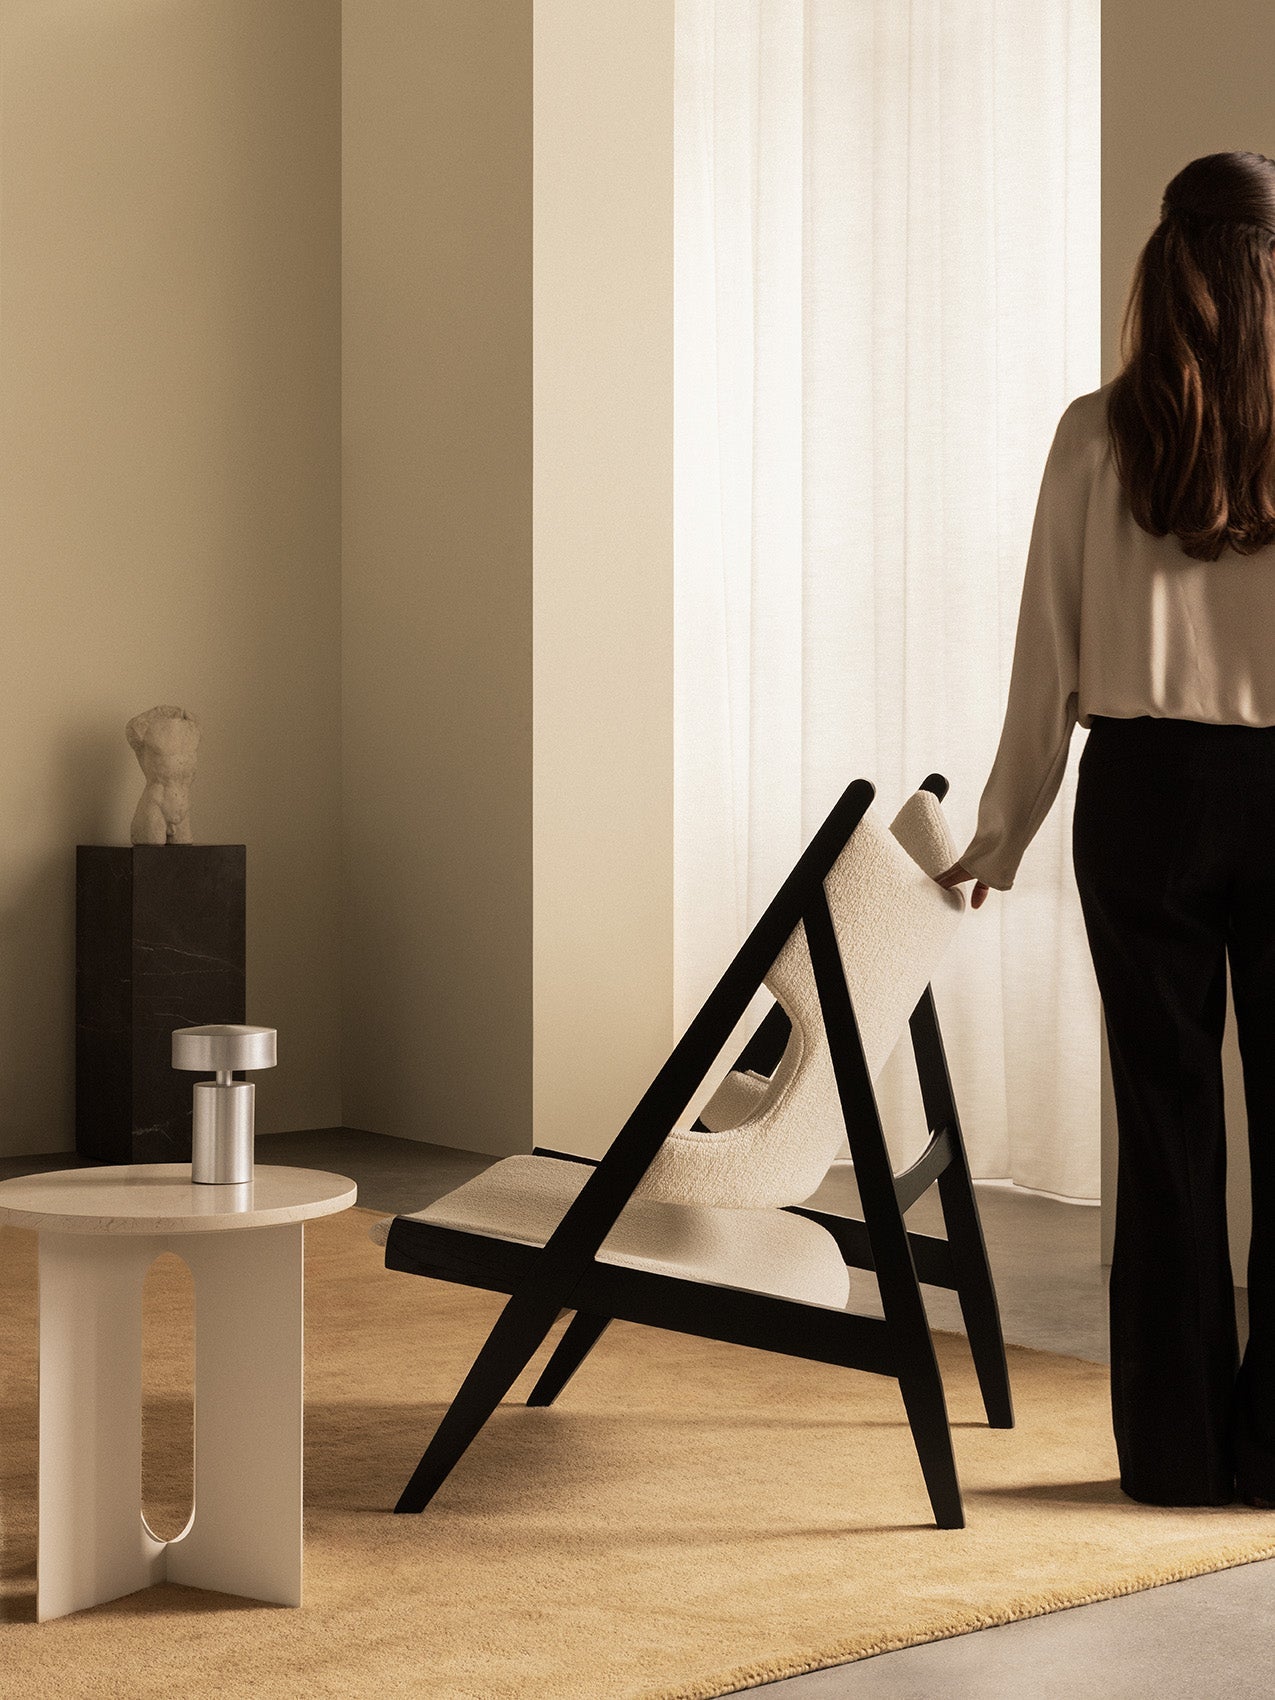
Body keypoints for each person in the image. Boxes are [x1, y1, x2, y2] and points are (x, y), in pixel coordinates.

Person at [935, 151, 1275, 1510]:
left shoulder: (1095, 430)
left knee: (1166, 1120)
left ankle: (1178, 1454)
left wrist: (1004, 826)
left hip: (1142, 806)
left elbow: (1048, 661)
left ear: (1163, 264)